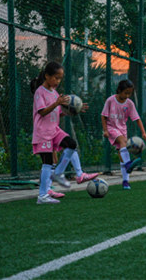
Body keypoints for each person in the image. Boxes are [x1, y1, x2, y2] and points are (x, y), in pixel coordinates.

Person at [31, 61, 98, 204]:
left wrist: (73, 110)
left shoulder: (55, 93)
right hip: (43, 132)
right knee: (47, 162)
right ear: (47, 76)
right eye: (55, 77)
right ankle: (43, 196)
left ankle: (79, 174)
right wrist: (57, 103)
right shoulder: (39, 92)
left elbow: (58, 112)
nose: (57, 81)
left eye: (60, 78)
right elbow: (42, 112)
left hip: (54, 130)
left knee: (71, 144)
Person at [101, 79, 146, 190]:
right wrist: (105, 130)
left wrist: (143, 133)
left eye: (130, 93)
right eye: (125, 93)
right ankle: (128, 164)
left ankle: (125, 181)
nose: (127, 95)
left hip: (123, 130)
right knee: (123, 143)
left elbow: (137, 119)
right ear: (119, 90)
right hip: (111, 128)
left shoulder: (129, 104)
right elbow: (103, 116)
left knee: (122, 155)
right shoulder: (110, 101)